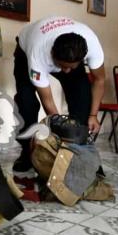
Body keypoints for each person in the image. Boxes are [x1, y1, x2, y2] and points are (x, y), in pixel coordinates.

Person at [14, 16, 106, 163]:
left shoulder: (91, 44)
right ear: (52, 54)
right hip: (24, 51)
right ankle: (27, 153)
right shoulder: (38, 54)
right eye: (62, 66)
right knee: (26, 103)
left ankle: (77, 152)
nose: (66, 71)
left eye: (71, 67)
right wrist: (59, 134)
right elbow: (48, 101)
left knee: (82, 97)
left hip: (68, 51)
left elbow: (100, 80)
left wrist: (93, 115)